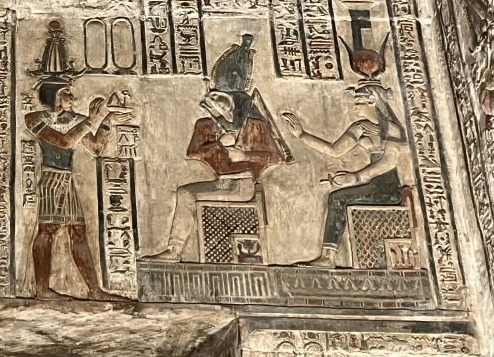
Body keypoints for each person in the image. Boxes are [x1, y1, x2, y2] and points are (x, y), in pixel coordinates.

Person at [145, 88, 284, 262]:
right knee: (185, 193)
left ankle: (174, 250)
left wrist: (246, 155)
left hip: (242, 184)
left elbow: (276, 157)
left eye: (220, 96)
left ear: (233, 100)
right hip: (222, 182)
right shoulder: (206, 125)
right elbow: (193, 152)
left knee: (186, 194)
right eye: (211, 98)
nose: (215, 102)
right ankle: (174, 250)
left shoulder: (254, 126)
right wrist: (218, 144)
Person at [282, 80, 409, 267]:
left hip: (388, 189)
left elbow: (388, 162)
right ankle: (328, 256)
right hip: (373, 185)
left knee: (337, 199)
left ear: (373, 102)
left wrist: (355, 177)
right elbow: (335, 150)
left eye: (359, 103)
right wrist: (302, 135)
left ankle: (329, 257)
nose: (355, 107)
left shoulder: (392, 129)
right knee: (337, 197)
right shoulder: (361, 127)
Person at [26, 84, 131, 300]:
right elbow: (64, 142)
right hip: (51, 179)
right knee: (47, 230)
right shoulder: (35, 119)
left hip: (67, 180)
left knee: (78, 232)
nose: (72, 97)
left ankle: (94, 291)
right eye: (66, 93)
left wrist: (107, 123)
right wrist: (90, 121)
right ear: (54, 96)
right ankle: (42, 289)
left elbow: (95, 148)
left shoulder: (77, 120)